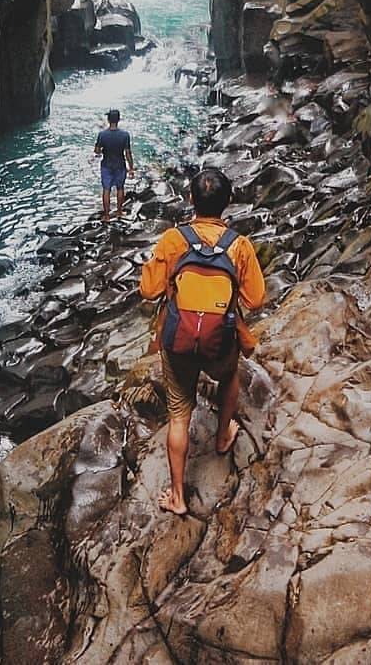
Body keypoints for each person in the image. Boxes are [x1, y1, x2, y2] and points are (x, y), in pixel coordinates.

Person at [139, 167, 265, 515]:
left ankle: (178, 496)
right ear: (228, 203)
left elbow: (148, 291)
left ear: (190, 199)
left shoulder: (172, 240)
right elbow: (255, 300)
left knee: (179, 415)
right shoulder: (239, 246)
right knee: (229, 378)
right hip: (220, 340)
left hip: (178, 340)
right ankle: (223, 436)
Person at [94, 108, 134, 218]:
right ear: (118, 120)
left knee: (106, 190)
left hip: (106, 165)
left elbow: (97, 151)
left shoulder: (102, 135)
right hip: (120, 165)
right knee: (120, 188)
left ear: (108, 120)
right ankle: (119, 212)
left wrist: (102, 150)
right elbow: (128, 153)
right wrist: (131, 168)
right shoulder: (125, 135)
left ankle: (106, 215)